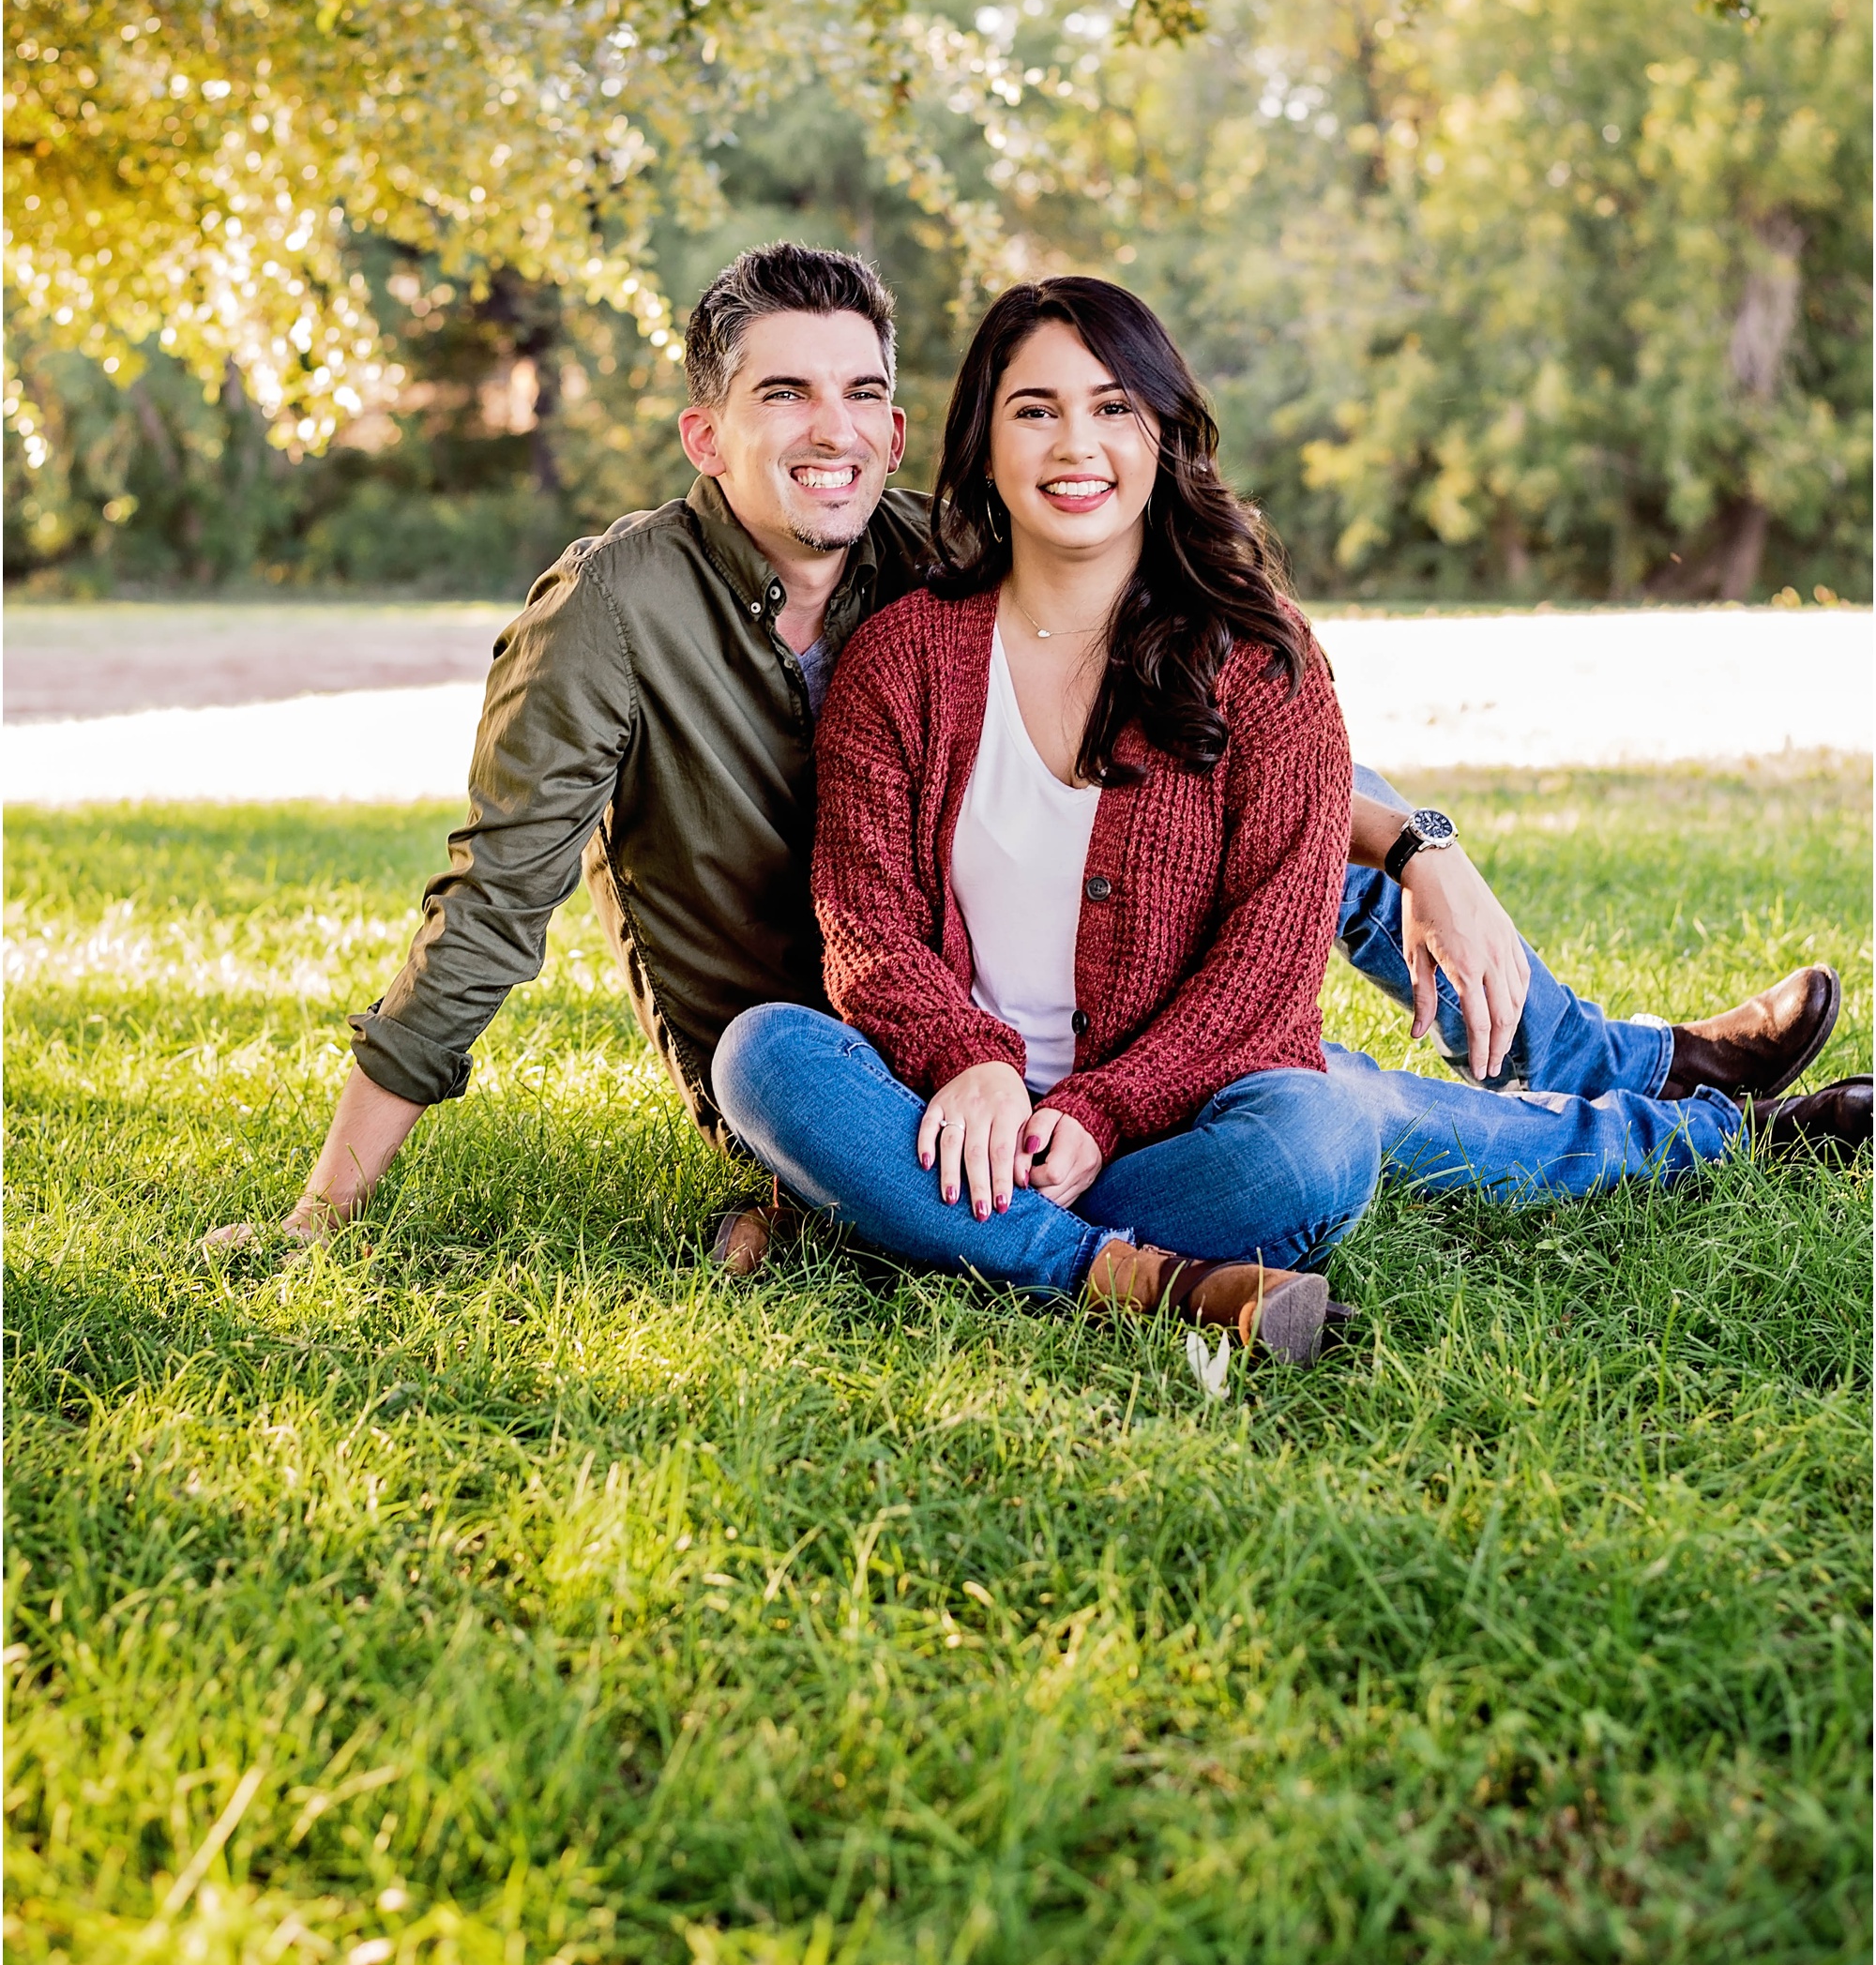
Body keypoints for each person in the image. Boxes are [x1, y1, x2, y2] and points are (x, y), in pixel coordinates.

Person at [207, 244, 1856, 1263]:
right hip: (855, 1050)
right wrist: (322, 1211)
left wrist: (1421, 843)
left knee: (1278, 917)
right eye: (783, 396)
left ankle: (1646, 1071)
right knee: (1326, 1100)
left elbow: (1244, 807)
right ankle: (1107, 1252)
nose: (830, 429)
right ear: (707, 433)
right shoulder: (631, 611)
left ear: (908, 427)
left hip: (1114, 1012)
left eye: (861, 391)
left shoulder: (932, 547)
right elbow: (495, 900)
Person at [711, 277, 1869, 1353]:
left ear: (1161, 435)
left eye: (1113, 407)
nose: (1075, 445)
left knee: (1316, 1138)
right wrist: (969, 1063)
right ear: (982, 444)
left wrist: (1105, 1112)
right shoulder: (901, 661)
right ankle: (1124, 1273)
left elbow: (1264, 978)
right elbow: (865, 929)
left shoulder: (1260, 665)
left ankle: (905, 1225)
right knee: (763, 1056)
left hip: (1181, 1116)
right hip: (955, 1114)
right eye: (1034, 410)